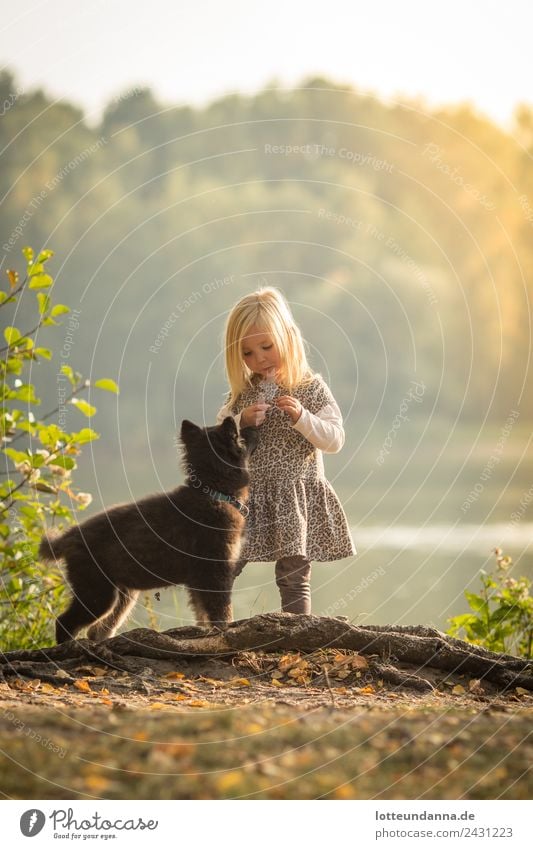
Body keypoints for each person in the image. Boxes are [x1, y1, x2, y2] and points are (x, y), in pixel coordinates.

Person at [216, 286, 356, 614]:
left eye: (266, 346)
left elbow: (334, 439)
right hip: (250, 496)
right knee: (224, 565)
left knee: (293, 574)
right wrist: (240, 423)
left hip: (295, 496)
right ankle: (216, 629)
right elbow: (217, 439)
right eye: (247, 353)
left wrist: (302, 418)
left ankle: (296, 637)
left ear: (288, 338)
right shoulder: (243, 393)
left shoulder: (310, 388)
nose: (259, 358)